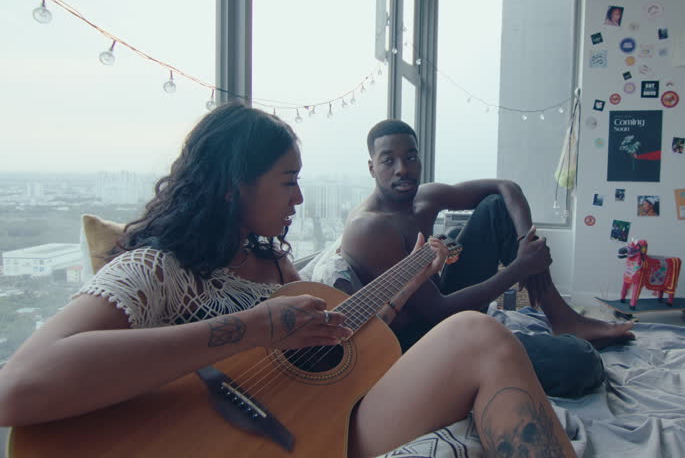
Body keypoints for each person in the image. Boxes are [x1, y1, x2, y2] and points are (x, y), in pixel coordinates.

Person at [0, 104, 577, 458]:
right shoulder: (155, 270)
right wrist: (250, 327)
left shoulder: (274, 262)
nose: (300, 197)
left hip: (310, 429)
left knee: (479, 337)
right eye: (288, 181)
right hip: (222, 440)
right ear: (233, 186)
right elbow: (15, 388)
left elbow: (334, 339)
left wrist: (409, 277)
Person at [340, 119, 635, 399]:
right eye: (388, 160)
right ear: (371, 167)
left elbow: (506, 188)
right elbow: (437, 312)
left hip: (443, 305)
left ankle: (562, 317)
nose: (402, 169)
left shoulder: (425, 199)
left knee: (495, 207)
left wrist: (524, 244)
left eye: (411, 157)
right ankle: (566, 331)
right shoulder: (371, 228)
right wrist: (521, 266)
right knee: (581, 363)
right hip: (417, 343)